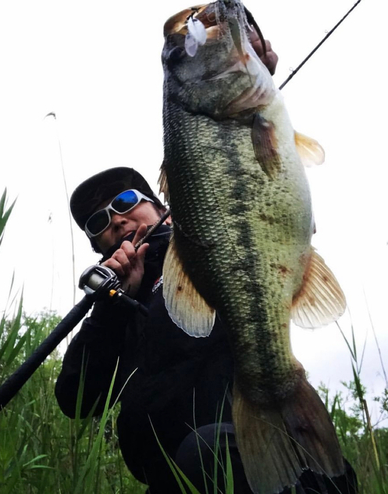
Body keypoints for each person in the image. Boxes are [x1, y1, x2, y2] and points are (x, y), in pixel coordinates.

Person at [55, 39, 358, 494]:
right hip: (171, 480)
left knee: (210, 451)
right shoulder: (114, 304)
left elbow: (265, 183)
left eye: (124, 201)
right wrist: (114, 304)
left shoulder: (205, 231)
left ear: (161, 203)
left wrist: (253, 76)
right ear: (98, 244)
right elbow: (76, 398)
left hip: (236, 453)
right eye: (98, 222)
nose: (116, 219)